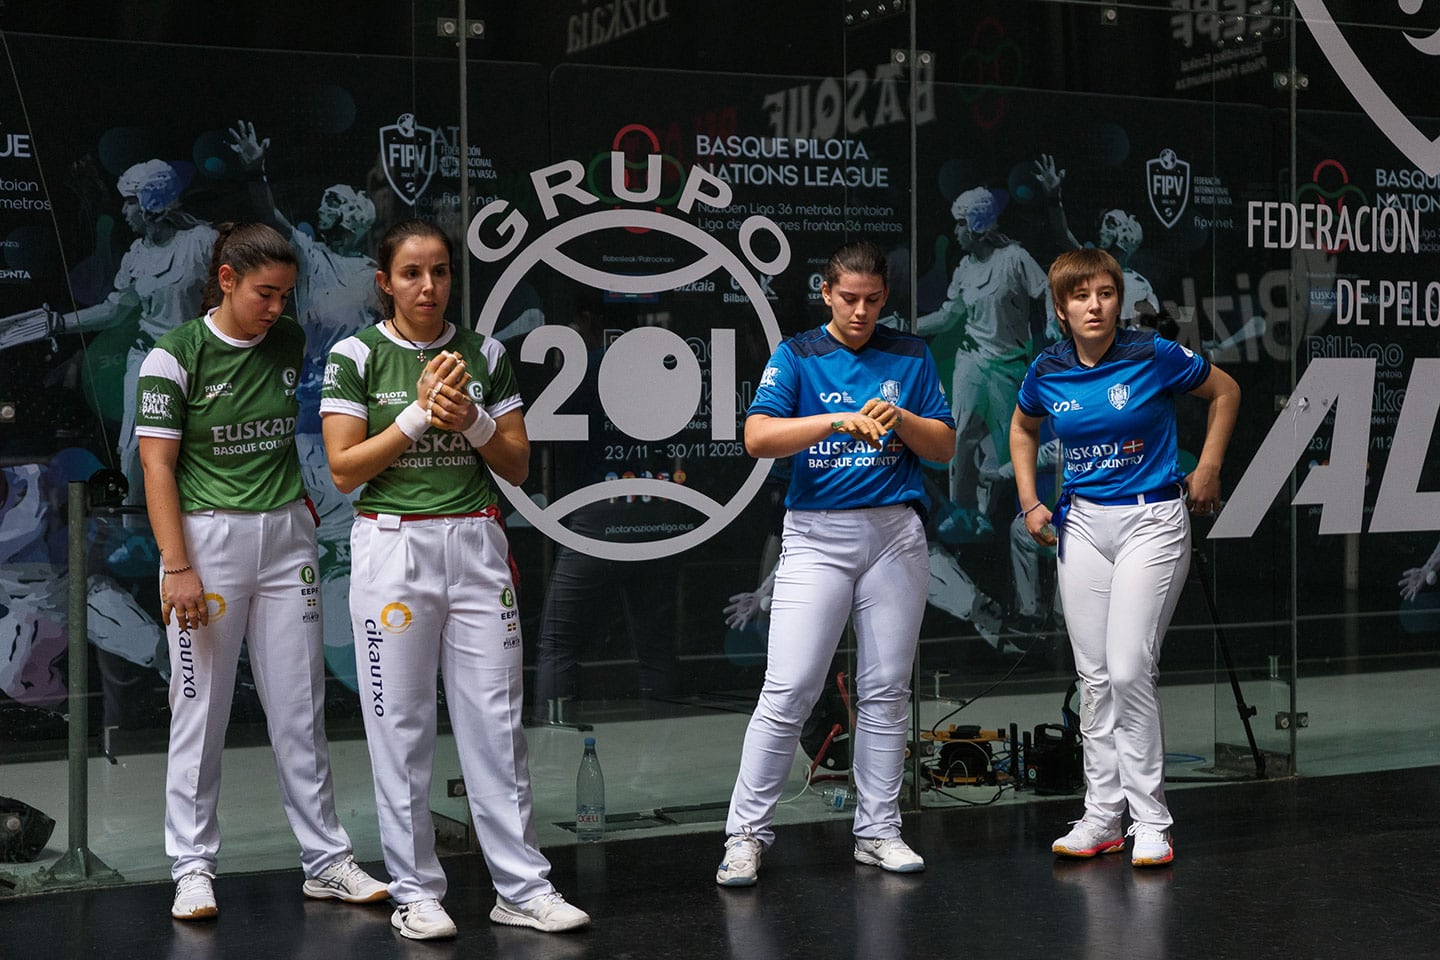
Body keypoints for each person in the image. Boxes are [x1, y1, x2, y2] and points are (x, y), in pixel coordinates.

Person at [319, 219, 588, 940]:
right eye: (412, 273)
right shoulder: (355, 355)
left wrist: (470, 419)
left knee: (497, 725)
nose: (429, 286)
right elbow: (344, 469)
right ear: (385, 282)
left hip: (475, 543)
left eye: (439, 271)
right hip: (392, 548)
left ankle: (522, 889)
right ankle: (415, 893)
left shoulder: (485, 352)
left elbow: (517, 464)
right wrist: (417, 414)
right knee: (400, 728)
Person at [134, 222, 387, 920]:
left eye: (285, 295)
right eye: (264, 293)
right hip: (204, 543)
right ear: (226, 280)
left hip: (286, 542)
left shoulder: (289, 341)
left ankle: (326, 861)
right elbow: (156, 467)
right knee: (200, 710)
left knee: (301, 710)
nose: (276, 308)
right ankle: (192, 869)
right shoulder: (172, 357)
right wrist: (176, 566)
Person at [715, 240, 956, 886]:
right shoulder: (798, 354)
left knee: (885, 691)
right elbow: (757, 436)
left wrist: (899, 418)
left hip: (894, 534)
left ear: (885, 297)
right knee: (790, 687)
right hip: (817, 536)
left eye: (872, 300)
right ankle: (745, 836)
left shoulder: (911, 354)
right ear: (826, 292)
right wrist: (835, 421)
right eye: (848, 298)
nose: (860, 311)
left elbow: (943, 445)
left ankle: (878, 831)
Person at [1009, 248, 1240, 868]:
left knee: (1130, 668)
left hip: (1152, 519)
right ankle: (1101, 815)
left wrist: (1209, 467)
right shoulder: (1047, 368)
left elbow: (1225, 391)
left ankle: (1151, 820)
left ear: (1119, 300)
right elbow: (1023, 428)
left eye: (1105, 293)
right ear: (1061, 308)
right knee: (1094, 676)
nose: (1095, 306)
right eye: (1081, 296)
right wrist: (1030, 502)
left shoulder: (1152, 353)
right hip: (1082, 524)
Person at [916, 186, 1049, 536]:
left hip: (1009, 365)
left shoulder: (1015, 259)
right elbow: (949, 316)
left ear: (977, 224)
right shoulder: (964, 268)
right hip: (972, 359)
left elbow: (1047, 289)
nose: (956, 231)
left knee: (1006, 446)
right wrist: (908, 326)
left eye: (961, 224)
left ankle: (992, 515)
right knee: (962, 436)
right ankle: (962, 510)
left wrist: (1052, 323)